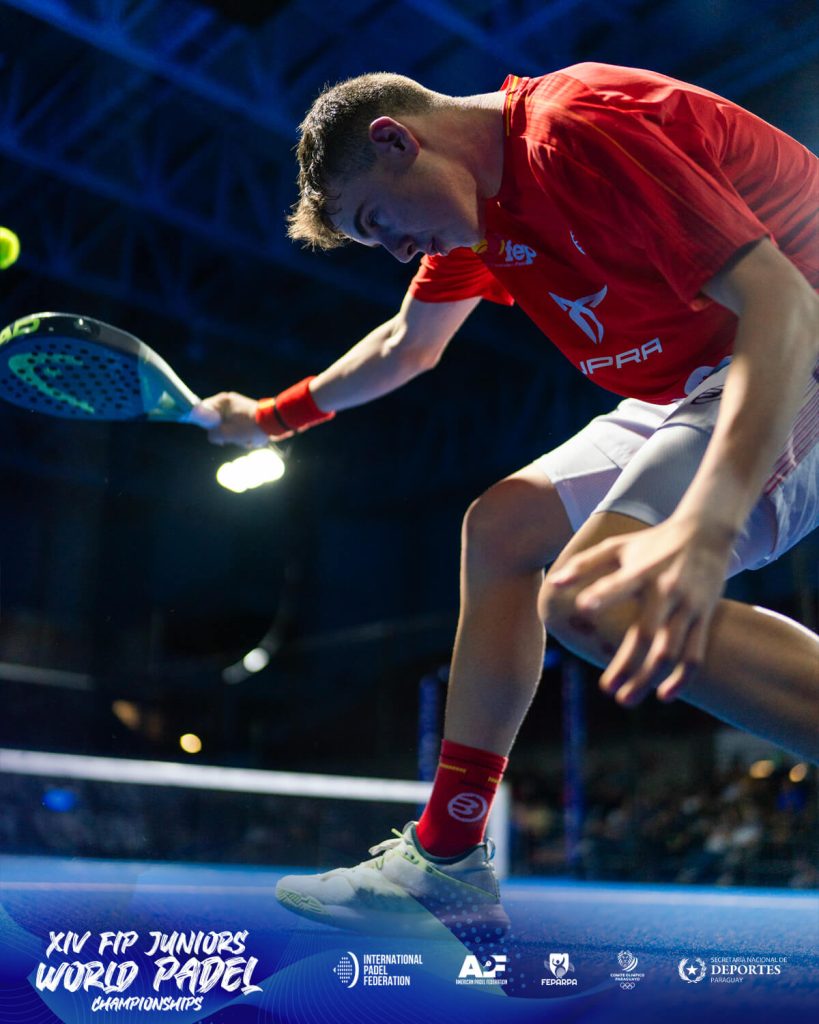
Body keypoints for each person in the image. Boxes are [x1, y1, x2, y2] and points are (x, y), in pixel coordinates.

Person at [201, 63, 819, 935]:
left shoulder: (579, 133)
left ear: (396, 139)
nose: (397, 251)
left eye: (378, 222)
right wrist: (271, 417)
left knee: (595, 596)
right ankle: (447, 859)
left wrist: (709, 524)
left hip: (794, 340)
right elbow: (405, 345)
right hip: (699, 378)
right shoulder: (481, 216)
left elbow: (783, 303)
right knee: (502, 527)